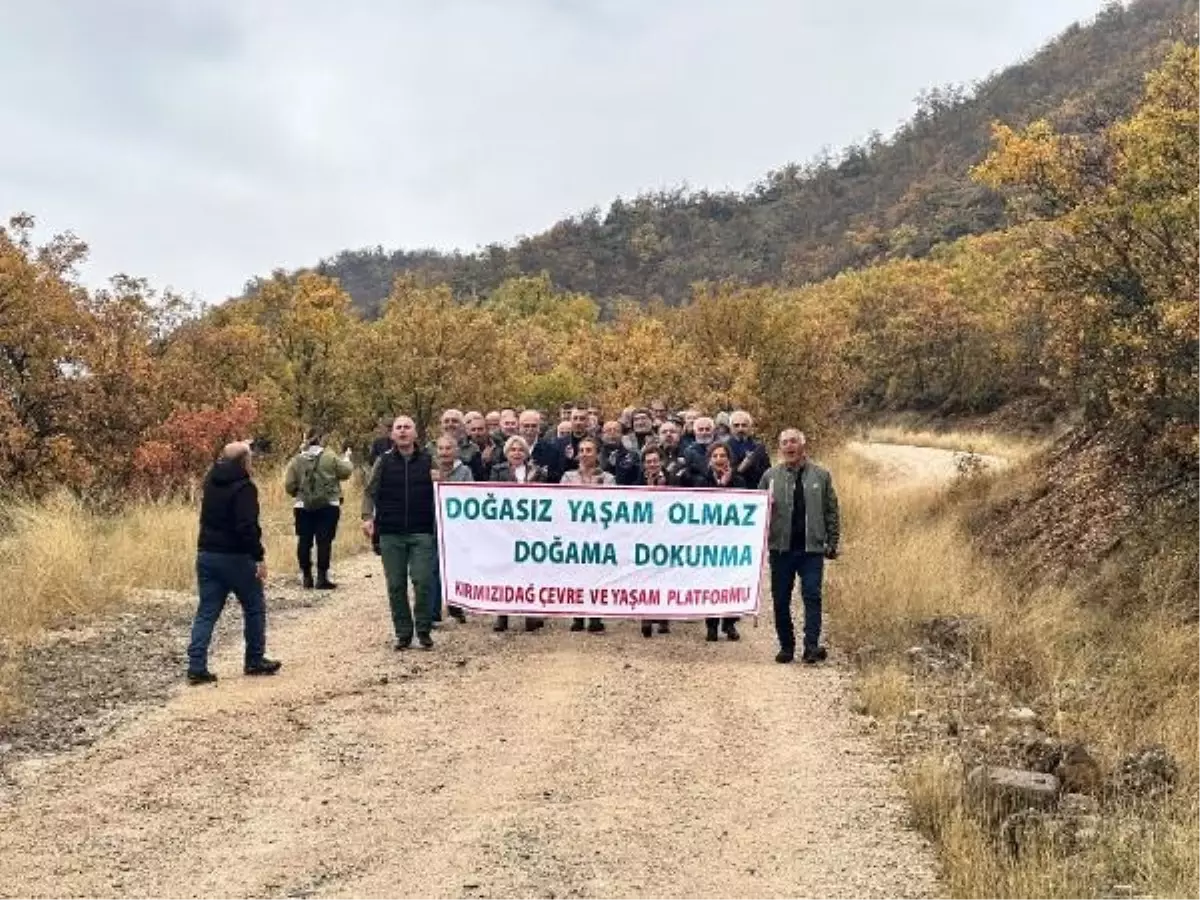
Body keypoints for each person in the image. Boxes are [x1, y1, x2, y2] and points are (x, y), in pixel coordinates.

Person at [186, 442, 281, 684]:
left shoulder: (211, 480)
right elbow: (247, 527)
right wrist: (258, 556)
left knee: (207, 611)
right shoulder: (244, 488)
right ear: (245, 462)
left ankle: (196, 666)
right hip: (236, 557)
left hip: (207, 554)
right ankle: (254, 659)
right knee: (254, 606)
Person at [759, 429, 840, 664]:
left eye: (793, 441)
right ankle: (786, 646)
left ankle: (811, 646)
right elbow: (756, 511)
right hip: (781, 549)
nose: (789, 446)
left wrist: (832, 541)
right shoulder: (770, 476)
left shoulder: (821, 476)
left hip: (811, 549)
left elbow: (831, 510)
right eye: (784, 443)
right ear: (780, 448)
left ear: (802, 445)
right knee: (780, 598)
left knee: (812, 596)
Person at [362, 416, 437, 651]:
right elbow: (369, 491)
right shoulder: (383, 462)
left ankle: (423, 629)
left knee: (423, 581)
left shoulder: (428, 460)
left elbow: (444, 491)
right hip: (391, 533)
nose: (403, 432)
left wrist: (440, 480)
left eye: (407, 427)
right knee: (395, 585)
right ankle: (403, 633)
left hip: (422, 531)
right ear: (392, 434)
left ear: (415, 434)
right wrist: (367, 518)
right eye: (399, 428)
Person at [490, 435, 549, 634]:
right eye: (513, 449)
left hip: (530, 529)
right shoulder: (497, 471)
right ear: (507, 453)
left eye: (520, 449)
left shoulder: (538, 472)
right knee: (504, 570)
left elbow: (545, 498)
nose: (516, 453)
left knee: (530, 571)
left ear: (526, 453)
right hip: (505, 529)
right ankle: (502, 614)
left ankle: (530, 613)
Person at [283, 428, 354, 590]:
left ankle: (307, 577)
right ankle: (322, 578)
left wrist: (300, 493)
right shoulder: (330, 457)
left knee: (304, 540)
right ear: (322, 439)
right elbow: (346, 473)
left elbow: (289, 485)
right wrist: (347, 458)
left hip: (302, 506)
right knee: (324, 541)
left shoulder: (297, 460)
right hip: (328, 504)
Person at [560, 436, 614, 633]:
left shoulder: (608, 478)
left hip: (599, 534)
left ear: (597, 454)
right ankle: (578, 616)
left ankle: (595, 616)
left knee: (598, 576)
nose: (584, 454)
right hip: (575, 533)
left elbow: (612, 503)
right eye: (581, 450)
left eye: (589, 450)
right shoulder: (567, 477)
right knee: (576, 575)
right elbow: (561, 502)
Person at [696, 442, 745, 643]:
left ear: (728, 458)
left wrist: (727, 484)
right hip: (709, 541)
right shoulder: (700, 481)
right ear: (709, 460)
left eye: (722, 455)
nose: (719, 459)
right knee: (711, 583)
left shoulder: (740, 481)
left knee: (733, 581)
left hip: (733, 540)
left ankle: (730, 622)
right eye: (715, 456)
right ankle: (712, 625)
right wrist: (719, 486)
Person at [430, 434, 472, 626]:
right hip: (432, 525)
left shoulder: (465, 471)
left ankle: (456, 607)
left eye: (448, 449)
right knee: (432, 569)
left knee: (454, 568)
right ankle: (433, 612)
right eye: (441, 449)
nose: (444, 452)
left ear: (456, 451)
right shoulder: (429, 470)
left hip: (456, 528)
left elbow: (469, 497)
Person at [637, 444, 672, 639]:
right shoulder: (637, 480)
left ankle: (664, 616)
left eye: (655, 461)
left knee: (664, 575)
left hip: (666, 535)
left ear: (662, 462)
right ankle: (646, 617)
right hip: (643, 536)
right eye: (648, 462)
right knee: (645, 576)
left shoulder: (673, 478)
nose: (652, 464)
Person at [728, 410, 771, 490]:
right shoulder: (724, 447)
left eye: (744, 425)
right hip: (733, 493)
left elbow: (767, 472)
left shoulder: (759, 447)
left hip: (756, 491)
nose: (740, 429)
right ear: (731, 428)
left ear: (750, 427)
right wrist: (740, 468)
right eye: (736, 425)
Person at [519, 409, 564, 484]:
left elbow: (556, 477)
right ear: (519, 427)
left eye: (534, 426)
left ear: (539, 427)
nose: (530, 429)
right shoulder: (509, 448)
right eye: (526, 426)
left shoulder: (552, 450)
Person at [600, 419, 641, 485]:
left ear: (622, 434)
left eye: (616, 430)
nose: (612, 433)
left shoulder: (632, 456)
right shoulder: (595, 454)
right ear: (602, 435)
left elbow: (637, 479)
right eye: (608, 430)